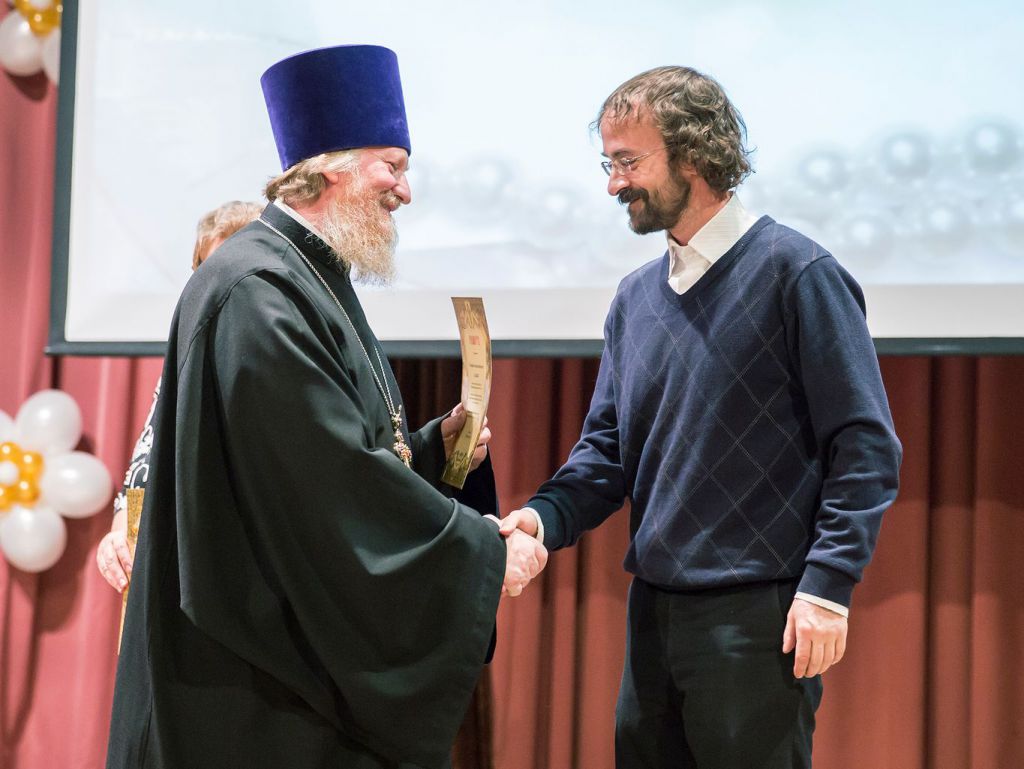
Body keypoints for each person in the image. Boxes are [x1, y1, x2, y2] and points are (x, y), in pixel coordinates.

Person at [106, 45, 546, 769]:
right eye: (392, 167)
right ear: (331, 169)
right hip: (249, 689)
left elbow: (323, 449)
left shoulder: (301, 272)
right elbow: (320, 483)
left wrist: (430, 450)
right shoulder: (257, 289)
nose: (405, 191)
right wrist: (482, 550)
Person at [499, 66, 902, 768]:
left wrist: (828, 588)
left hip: (761, 616)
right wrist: (540, 518)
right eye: (608, 164)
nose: (613, 184)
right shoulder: (634, 297)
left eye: (628, 162)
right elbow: (607, 452)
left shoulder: (797, 272)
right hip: (653, 613)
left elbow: (864, 446)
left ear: (693, 155)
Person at [97, 200, 263, 593]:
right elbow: (146, 458)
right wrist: (119, 534)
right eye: (208, 270)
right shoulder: (189, 354)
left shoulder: (280, 355)